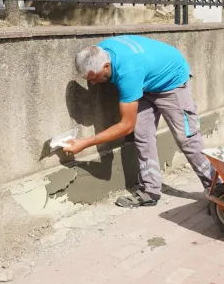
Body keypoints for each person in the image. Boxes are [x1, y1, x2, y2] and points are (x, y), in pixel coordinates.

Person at [64, 35, 214, 207]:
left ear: (106, 65)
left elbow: (126, 126)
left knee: (186, 138)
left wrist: (84, 143)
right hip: (144, 83)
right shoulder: (100, 52)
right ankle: (150, 190)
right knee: (142, 135)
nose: (92, 83)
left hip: (171, 81)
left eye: (94, 77)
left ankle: (218, 189)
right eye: (88, 80)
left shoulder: (128, 72)